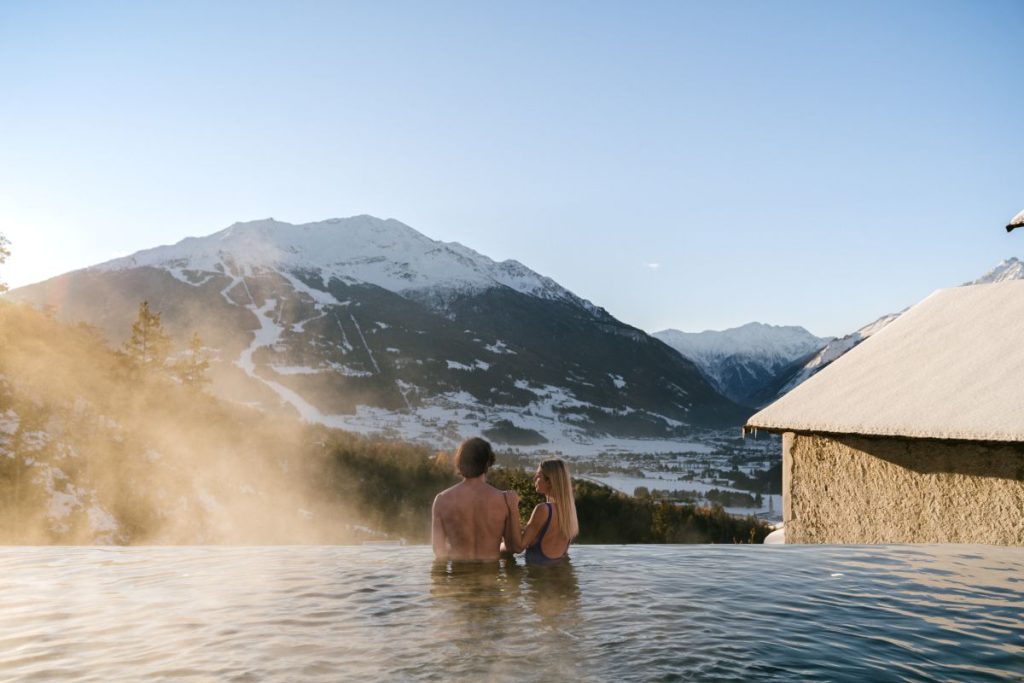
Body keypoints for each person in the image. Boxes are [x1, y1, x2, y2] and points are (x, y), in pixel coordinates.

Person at [431, 437, 519, 561]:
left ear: (460, 462)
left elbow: (439, 551)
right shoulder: (504, 499)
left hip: (459, 576)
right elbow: (512, 547)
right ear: (487, 463)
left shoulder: (442, 500)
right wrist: (493, 547)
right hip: (491, 573)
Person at [504, 459, 579, 565]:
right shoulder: (569, 512)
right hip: (560, 576)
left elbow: (518, 547)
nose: (534, 478)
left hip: (539, 578)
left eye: (538, 475)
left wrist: (512, 508)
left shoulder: (543, 510)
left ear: (549, 481)